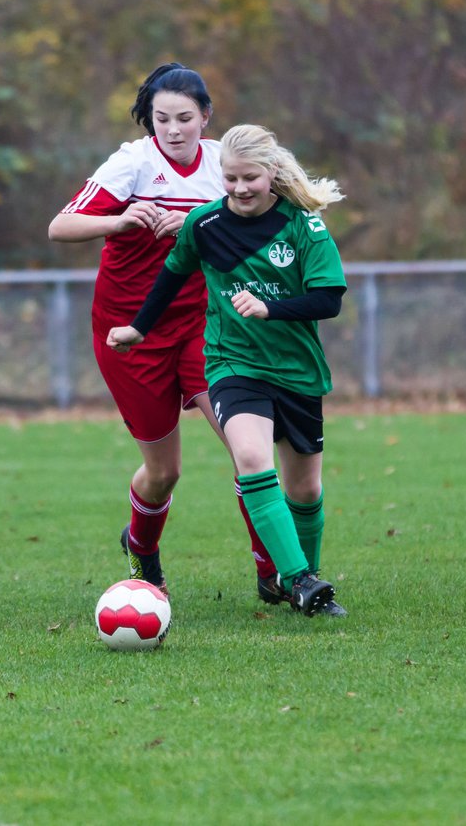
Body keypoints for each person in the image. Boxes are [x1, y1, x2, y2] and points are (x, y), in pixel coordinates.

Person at [48, 64, 281, 600]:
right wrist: (120, 219)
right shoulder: (134, 163)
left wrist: (205, 220)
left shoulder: (225, 164)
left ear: (205, 117)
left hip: (205, 327)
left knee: (250, 451)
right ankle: (143, 549)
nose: (172, 130)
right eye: (160, 119)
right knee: (164, 471)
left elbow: (271, 212)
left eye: (183, 118)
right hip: (130, 332)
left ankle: (273, 573)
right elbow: (61, 227)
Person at [107, 124, 349, 617]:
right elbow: (171, 277)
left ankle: (298, 574)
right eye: (231, 178)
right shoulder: (205, 225)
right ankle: (300, 581)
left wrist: (269, 308)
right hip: (232, 364)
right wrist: (138, 329)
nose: (239, 188)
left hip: (296, 369)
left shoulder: (305, 225)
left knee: (304, 490)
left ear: (272, 174)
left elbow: (329, 299)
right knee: (252, 460)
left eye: (250, 178)